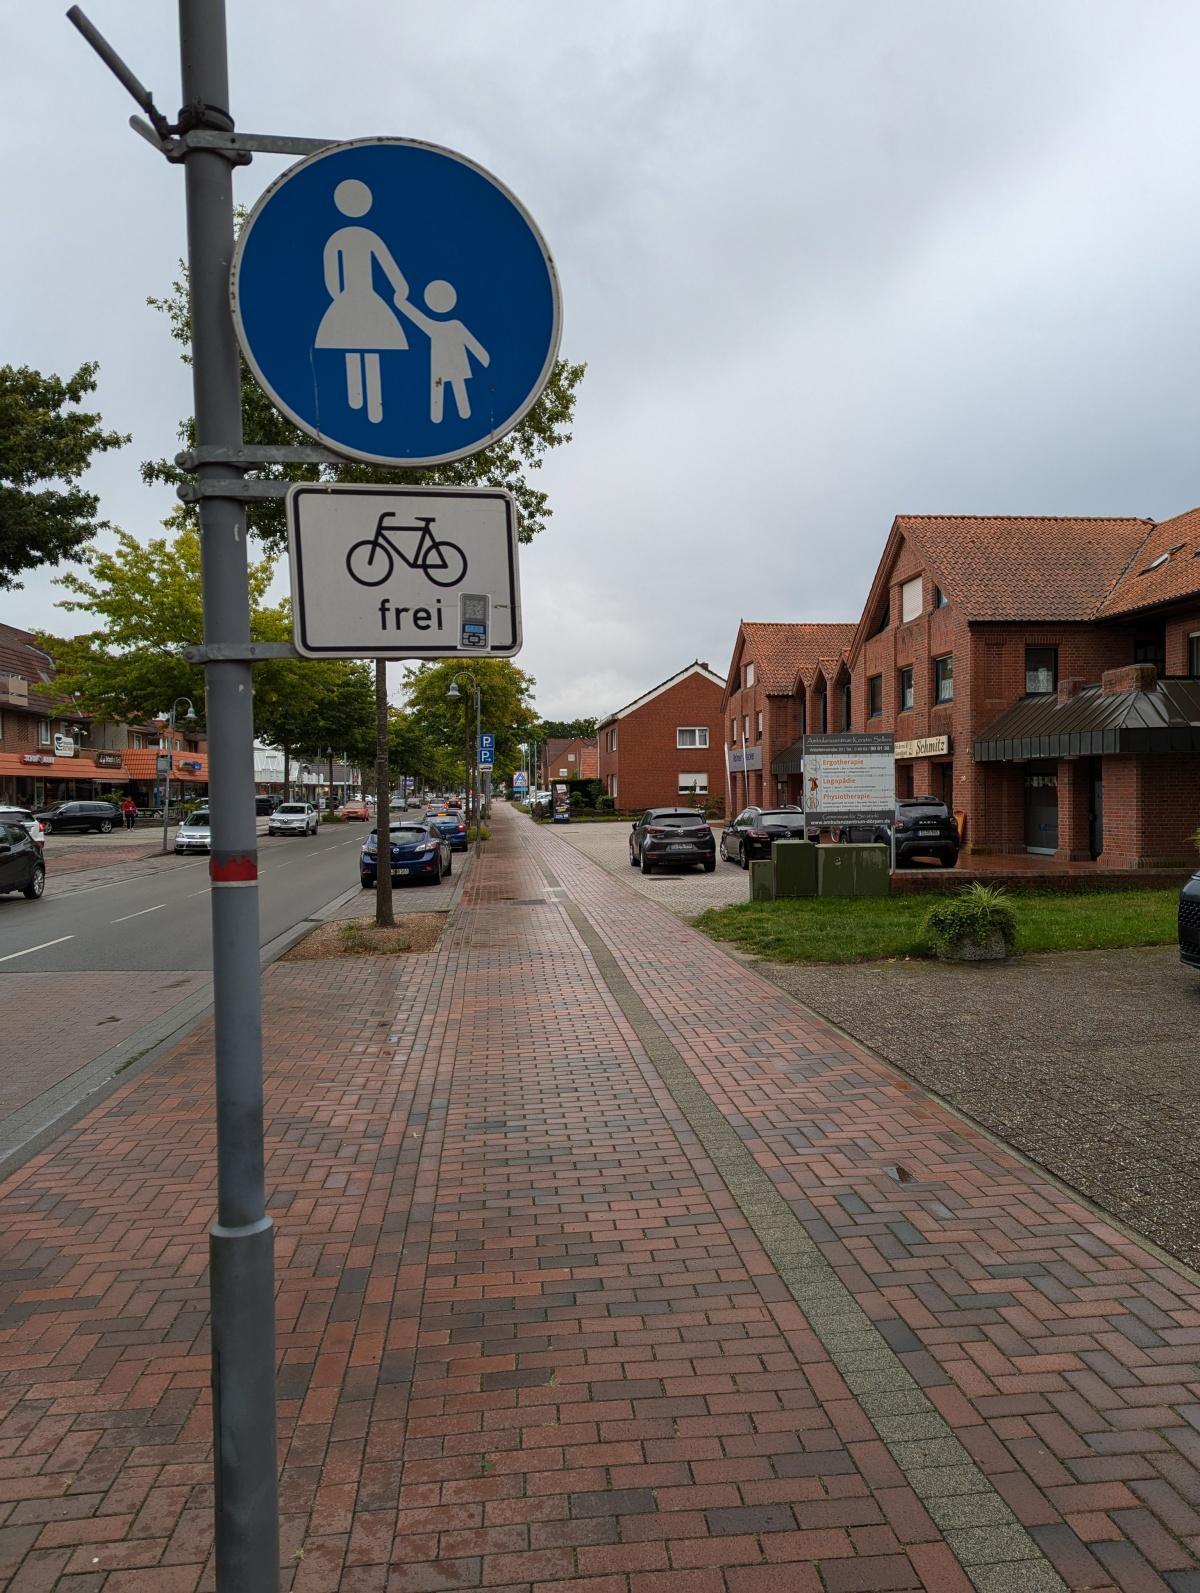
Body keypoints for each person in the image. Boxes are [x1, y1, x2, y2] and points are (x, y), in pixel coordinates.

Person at [315, 179, 411, 425]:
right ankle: (365, 404)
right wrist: (401, 288)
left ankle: (364, 403)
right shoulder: (362, 237)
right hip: (363, 298)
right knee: (365, 345)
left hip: (351, 298)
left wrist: (339, 297)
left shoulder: (340, 238)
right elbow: (389, 267)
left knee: (355, 344)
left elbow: (331, 276)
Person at [393, 280, 490, 422]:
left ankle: (454, 416)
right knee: (442, 388)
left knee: (450, 388)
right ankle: (440, 418)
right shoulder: (442, 326)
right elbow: (416, 317)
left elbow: (471, 342)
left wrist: (483, 357)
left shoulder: (444, 326)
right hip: (445, 365)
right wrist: (401, 304)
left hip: (453, 364)